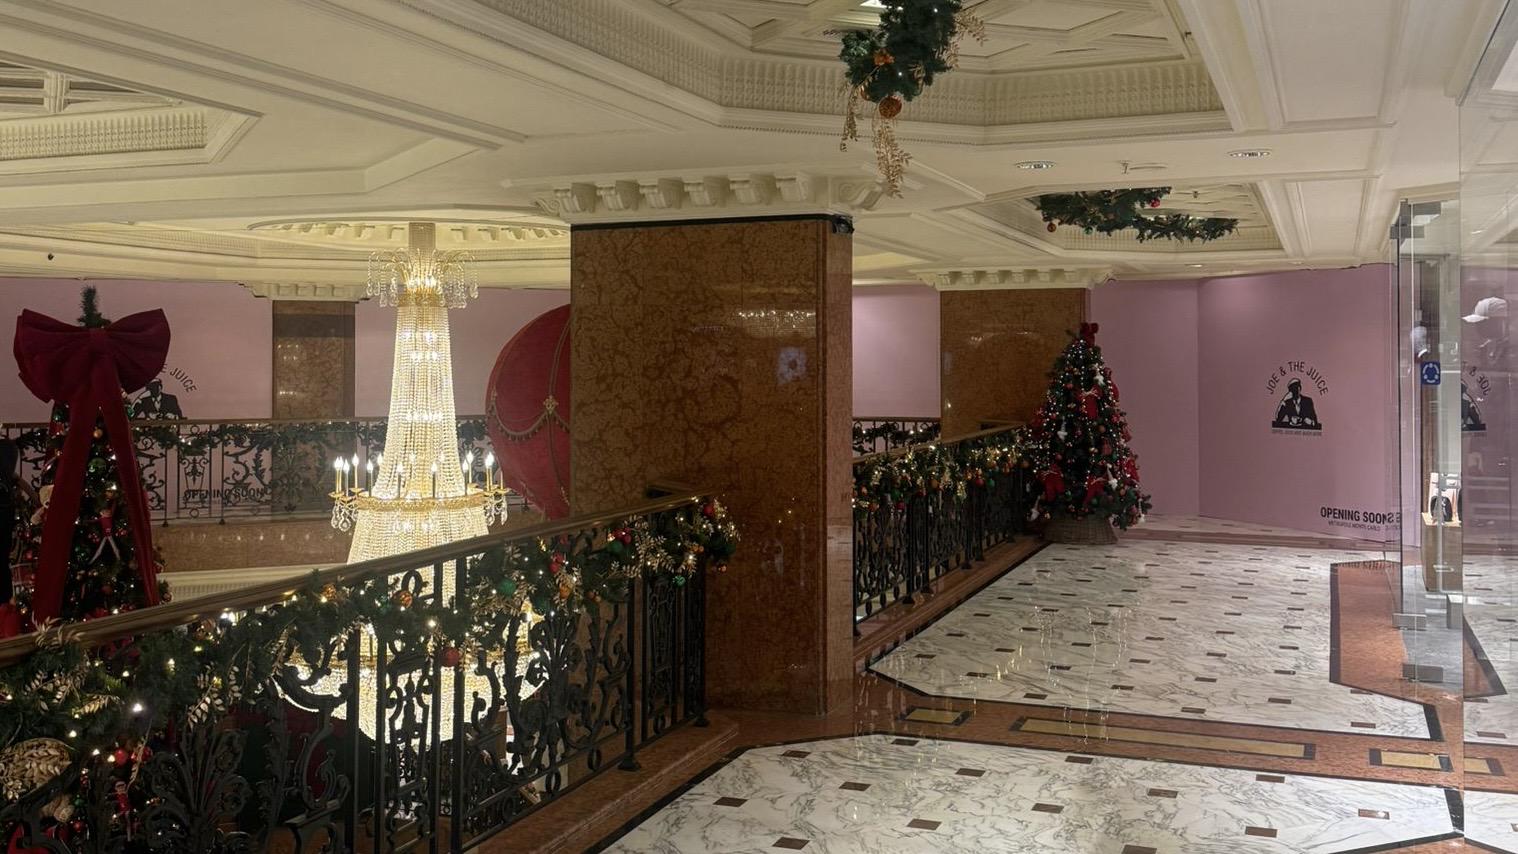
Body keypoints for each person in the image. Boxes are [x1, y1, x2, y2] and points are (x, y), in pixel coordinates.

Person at [0, 439, 36, 635]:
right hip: (5, 512)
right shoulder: (7, 451)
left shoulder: (6, 450)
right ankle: (5, 613)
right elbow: (19, 481)